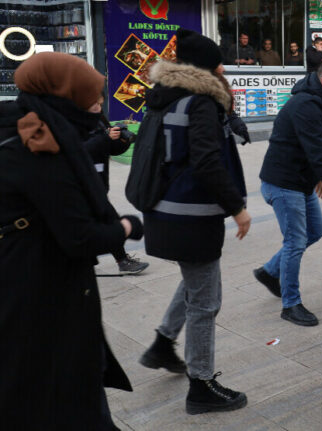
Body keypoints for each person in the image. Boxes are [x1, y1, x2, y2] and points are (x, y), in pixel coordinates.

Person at [0, 52, 139, 429]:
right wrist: (126, 227)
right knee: (61, 392)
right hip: (40, 289)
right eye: (88, 97)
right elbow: (80, 237)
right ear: (65, 96)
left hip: (26, 277)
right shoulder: (39, 143)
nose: (96, 106)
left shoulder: (25, 126)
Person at [137, 29, 251, 414]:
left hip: (165, 212)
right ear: (207, 67)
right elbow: (206, 161)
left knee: (196, 281)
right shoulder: (201, 102)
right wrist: (237, 207)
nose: (224, 69)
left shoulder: (164, 97)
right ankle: (201, 385)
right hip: (192, 216)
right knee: (207, 301)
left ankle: (162, 342)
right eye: (219, 63)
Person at [256, 57, 322, 326]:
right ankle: (291, 305)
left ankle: (269, 272)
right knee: (295, 241)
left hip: (301, 182)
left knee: (315, 231)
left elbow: (321, 150)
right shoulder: (304, 105)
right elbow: (316, 150)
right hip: (282, 183)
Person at [83, 99, 150, 275]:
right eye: (95, 102)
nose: (99, 105)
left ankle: (120, 260)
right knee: (109, 220)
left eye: (100, 102)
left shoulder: (99, 119)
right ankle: (122, 260)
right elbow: (79, 151)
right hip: (82, 184)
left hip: (98, 184)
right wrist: (104, 137)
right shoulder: (72, 122)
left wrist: (122, 140)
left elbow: (111, 149)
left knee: (102, 221)